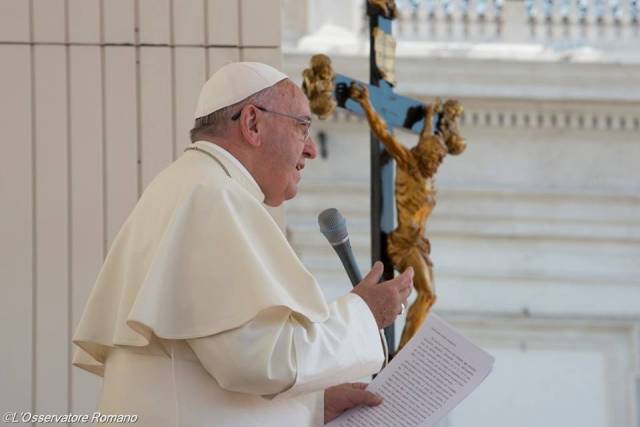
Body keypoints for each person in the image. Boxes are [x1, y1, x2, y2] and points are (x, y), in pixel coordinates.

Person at [72, 62, 413, 426]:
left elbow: (215, 368)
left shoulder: (189, 186)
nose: (311, 149)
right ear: (252, 123)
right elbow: (261, 361)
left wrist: (313, 406)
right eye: (302, 127)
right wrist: (364, 315)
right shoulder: (213, 197)